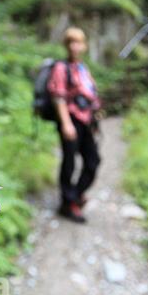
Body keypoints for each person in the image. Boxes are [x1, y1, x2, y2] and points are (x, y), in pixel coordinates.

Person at [47, 27, 101, 222]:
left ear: (84, 45)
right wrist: (66, 124)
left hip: (86, 121)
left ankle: (75, 195)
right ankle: (68, 203)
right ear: (66, 45)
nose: (75, 46)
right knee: (69, 163)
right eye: (71, 42)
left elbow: (91, 94)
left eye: (78, 42)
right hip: (71, 120)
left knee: (93, 161)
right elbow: (58, 97)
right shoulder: (61, 68)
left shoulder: (83, 69)